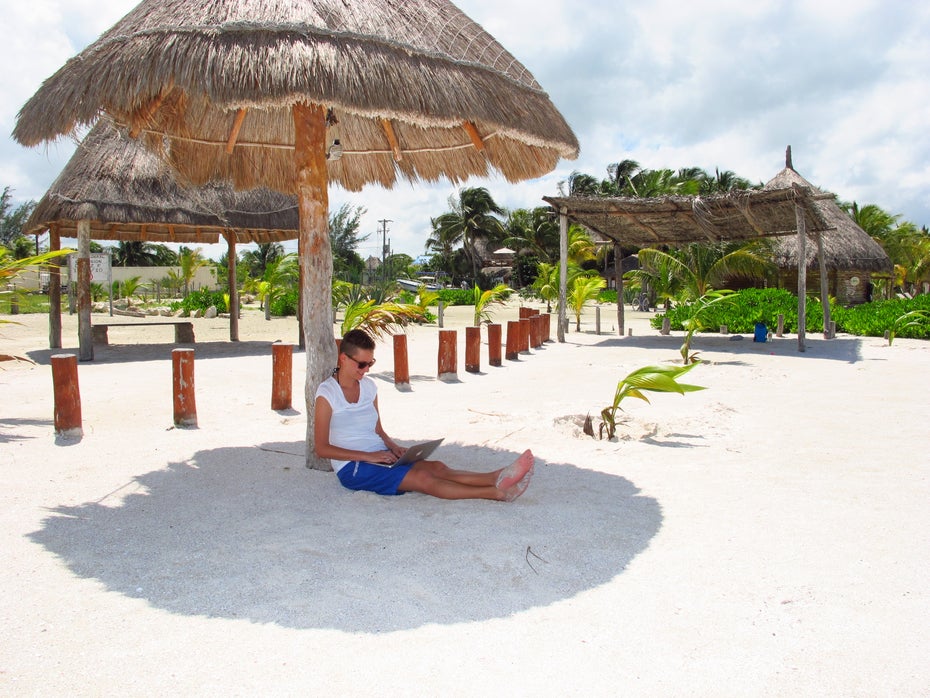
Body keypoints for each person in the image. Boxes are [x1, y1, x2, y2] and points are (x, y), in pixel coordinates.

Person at [314, 329, 533, 501]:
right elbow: (322, 448)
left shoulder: (369, 387)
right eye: (361, 364)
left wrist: (393, 447)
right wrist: (369, 456)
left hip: (380, 456)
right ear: (343, 358)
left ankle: (497, 477)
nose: (367, 369)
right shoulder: (327, 393)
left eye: (370, 363)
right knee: (423, 478)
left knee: (437, 467)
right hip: (353, 467)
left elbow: (378, 429)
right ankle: (497, 493)